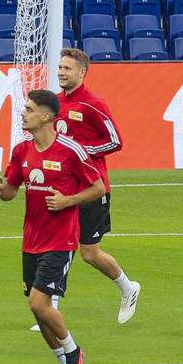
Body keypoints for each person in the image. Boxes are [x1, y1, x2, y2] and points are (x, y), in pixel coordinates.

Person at [0, 89, 107, 364]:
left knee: (40, 304)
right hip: (31, 239)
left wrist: (68, 201)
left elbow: (98, 188)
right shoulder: (21, 151)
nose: (23, 114)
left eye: (29, 109)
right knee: (36, 307)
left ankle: (74, 354)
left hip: (61, 239)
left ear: (47, 116)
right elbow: (11, 190)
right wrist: (0, 191)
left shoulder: (71, 151)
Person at [55, 48, 142, 324]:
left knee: (90, 253)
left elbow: (115, 141)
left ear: (81, 72)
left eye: (67, 69)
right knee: (57, 246)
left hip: (92, 187)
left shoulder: (93, 104)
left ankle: (128, 288)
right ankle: (50, 307)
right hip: (63, 188)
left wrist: (81, 150)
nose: (61, 73)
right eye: (60, 68)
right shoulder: (56, 103)